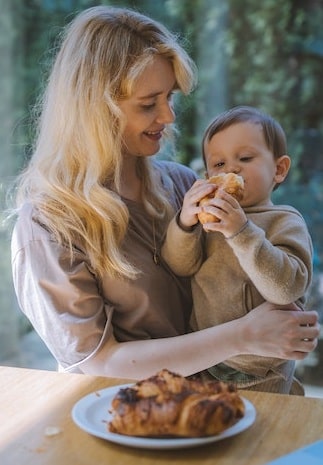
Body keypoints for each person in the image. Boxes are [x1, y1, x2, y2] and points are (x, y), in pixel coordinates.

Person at [10, 6, 319, 382]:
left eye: (169, 97)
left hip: (223, 408)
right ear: (94, 110)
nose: (169, 117)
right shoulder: (48, 225)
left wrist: (280, 329)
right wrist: (243, 336)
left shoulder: (182, 184)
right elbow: (96, 362)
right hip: (127, 419)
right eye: (148, 103)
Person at [161, 106, 313, 394]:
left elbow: (286, 289)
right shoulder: (209, 220)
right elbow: (179, 266)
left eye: (245, 158)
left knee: (263, 432)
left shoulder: (284, 220)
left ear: (279, 169)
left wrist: (240, 232)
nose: (231, 169)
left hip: (262, 367)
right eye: (218, 165)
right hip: (205, 358)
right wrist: (184, 223)